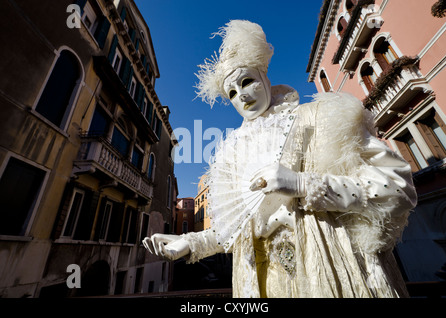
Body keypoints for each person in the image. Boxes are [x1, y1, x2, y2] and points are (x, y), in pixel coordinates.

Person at [143, 20, 417, 298]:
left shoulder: (321, 119)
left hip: (332, 273)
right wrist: (189, 243)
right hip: (263, 285)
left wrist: (303, 184)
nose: (242, 95)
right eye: (232, 93)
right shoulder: (234, 155)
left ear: (264, 76)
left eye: (246, 81)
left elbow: (398, 188)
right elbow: (238, 229)